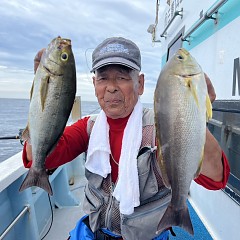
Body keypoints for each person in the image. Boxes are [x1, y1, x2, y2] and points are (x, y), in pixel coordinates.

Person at [22, 37, 230, 240]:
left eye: (121, 77)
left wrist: (196, 114)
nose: (111, 87)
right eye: (103, 78)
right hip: (94, 232)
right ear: (95, 85)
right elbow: (40, 159)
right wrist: (43, 97)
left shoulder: (162, 126)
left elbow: (216, 178)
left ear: (139, 84)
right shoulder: (89, 127)